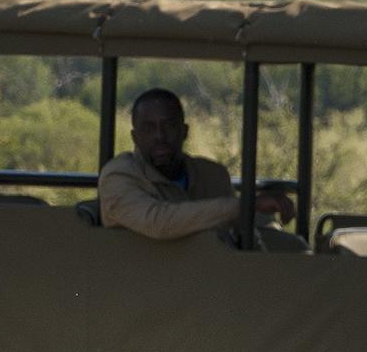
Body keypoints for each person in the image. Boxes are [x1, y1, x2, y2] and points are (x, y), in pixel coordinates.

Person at [98, 87, 294, 244]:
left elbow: (239, 230)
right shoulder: (119, 177)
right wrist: (245, 205)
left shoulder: (212, 175)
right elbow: (159, 223)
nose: (160, 136)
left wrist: (269, 211)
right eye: (148, 128)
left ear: (184, 131)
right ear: (135, 137)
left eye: (169, 126)